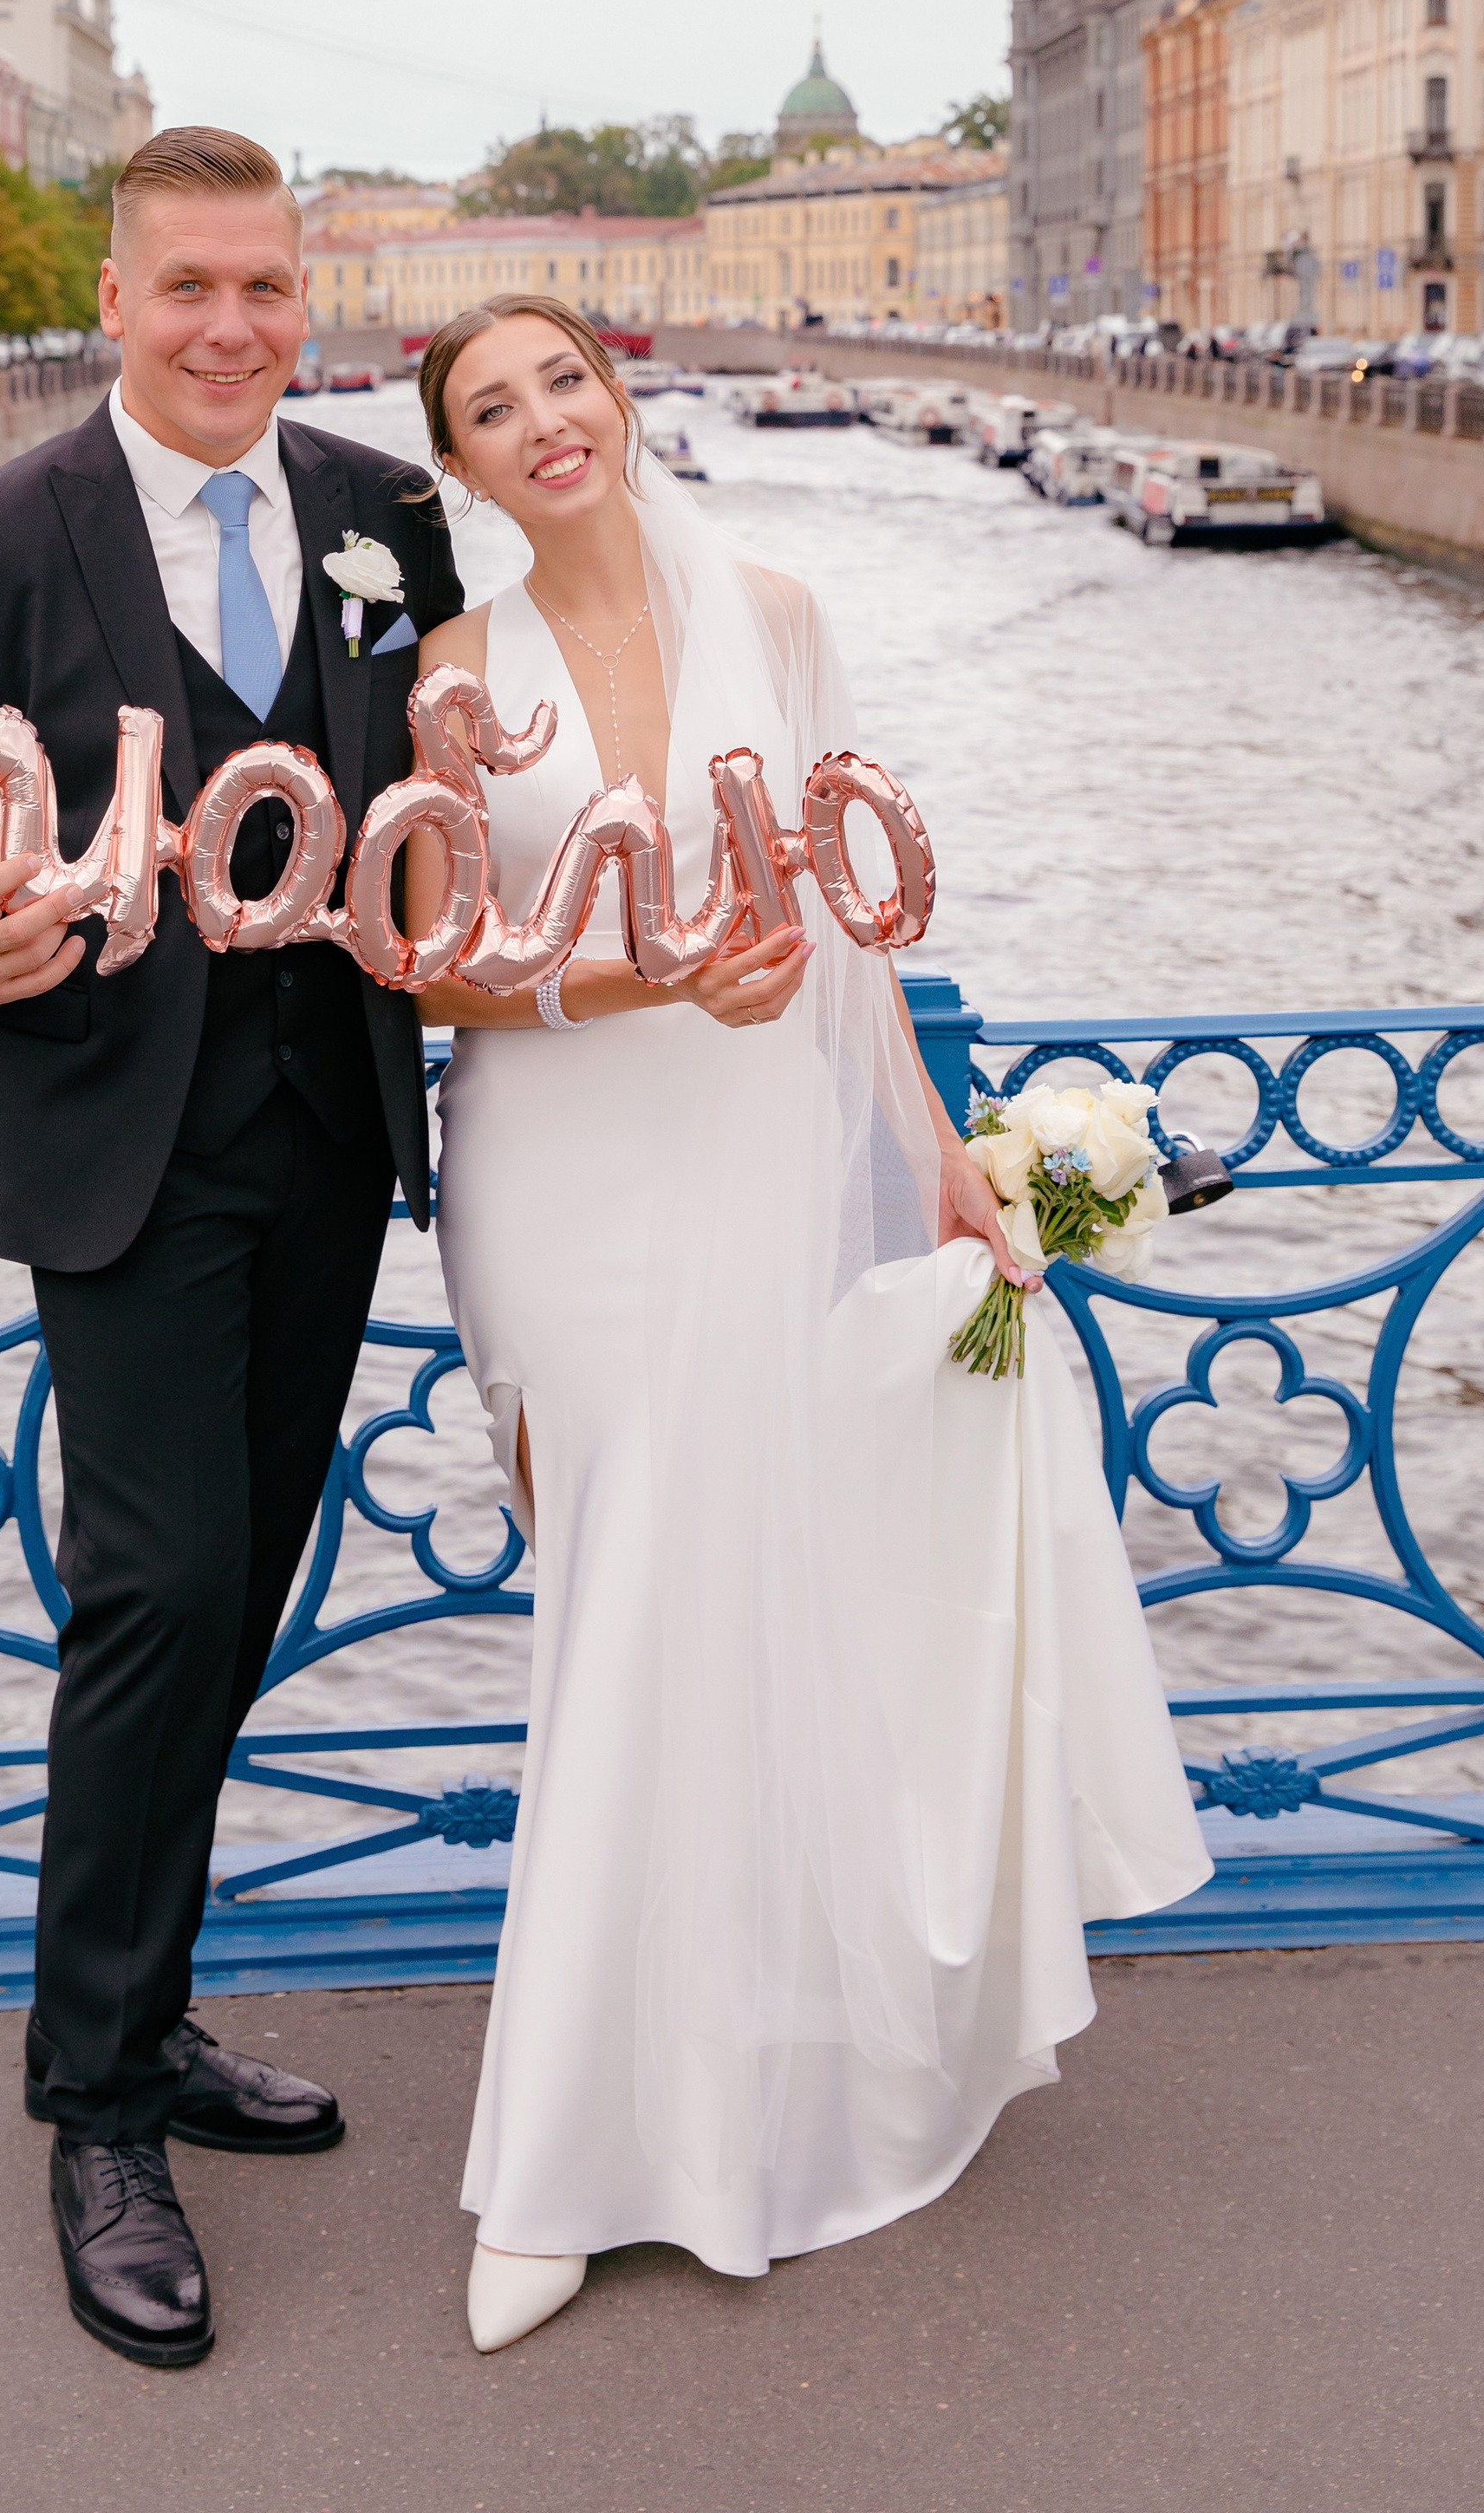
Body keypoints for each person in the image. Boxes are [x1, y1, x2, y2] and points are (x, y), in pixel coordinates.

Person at [405, 296, 1209, 2353]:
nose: (541, 422)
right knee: (615, 1592)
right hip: (558, 1166)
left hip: (758, 1142)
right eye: (490, 409)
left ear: (615, 395)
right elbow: (429, 964)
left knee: (751, 1580)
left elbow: (850, 931)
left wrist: (932, 1156)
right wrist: (643, 979)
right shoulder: (454, 671)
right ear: (458, 466)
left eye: (561, 380)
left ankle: (742, 2068)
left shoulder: (773, 611)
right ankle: (569, 2152)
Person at [0, 127, 463, 2369]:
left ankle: (154, 2007)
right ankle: (97, 2109)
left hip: (325, 1138)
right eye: (186, 286)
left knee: (244, 1585)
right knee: (158, 1591)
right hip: (117, 1153)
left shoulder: (385, 516)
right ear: (112, 300)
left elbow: (437, 796)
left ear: (307, 300)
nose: (229, 326)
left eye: (264, 287)